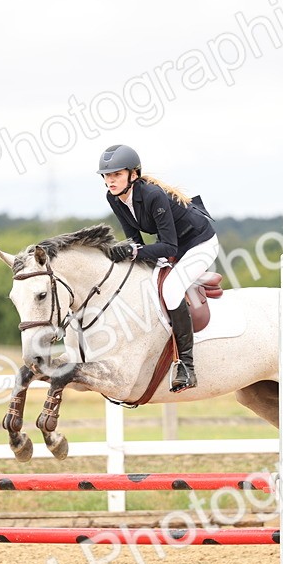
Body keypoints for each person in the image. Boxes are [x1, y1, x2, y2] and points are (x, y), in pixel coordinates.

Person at [97, 144, 221, 393]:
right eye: (107, 175)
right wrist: (127, 251)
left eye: (117, 174)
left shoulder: (153, 195)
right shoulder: (114, 198)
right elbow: (135, 240)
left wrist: (133, 252)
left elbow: (169, 247)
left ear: (133, 175)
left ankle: (186, 366)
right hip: (172, 245)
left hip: (198, 244)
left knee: (172, 290)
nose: (110, 180)